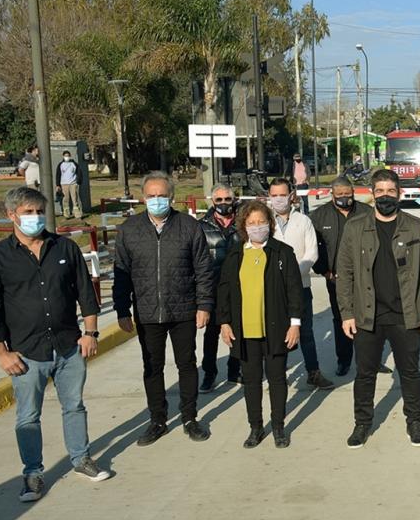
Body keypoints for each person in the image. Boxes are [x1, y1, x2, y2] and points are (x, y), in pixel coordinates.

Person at [0, 187, 111, 502]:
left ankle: (81, 459)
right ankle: (32, 474)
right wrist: (1, 353)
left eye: (39, 212)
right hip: (25, 352)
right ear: (12, 215)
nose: (35, 218)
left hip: (67, 346)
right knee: (28, 415)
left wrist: (90, 333)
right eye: (27, 212)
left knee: (74, 406)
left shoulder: (63, 247)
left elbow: (84, 291)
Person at [114, 171, 215, 446]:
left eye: (162, 195)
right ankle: (157, 420)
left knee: (187, 364)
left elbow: (203, 269)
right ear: (142, 198)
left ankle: (190, 417)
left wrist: (204, 305)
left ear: (171, 197)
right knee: (152, 367)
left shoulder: (188, 226)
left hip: (183, 309)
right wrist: (122, 309)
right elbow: (121, 272)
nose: (156, 200)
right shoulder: (130, 230)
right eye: (151, 196)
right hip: (147, 312)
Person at [337, 169, 420, 449]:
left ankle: (415, 422)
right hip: (367, 315)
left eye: (390, 191)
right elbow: (344, 273)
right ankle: (362, 424)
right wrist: (346, 312)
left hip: (406, 313)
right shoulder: (355, 228)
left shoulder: (416, 227)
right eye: (379, 191)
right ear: (372, 193)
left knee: (410, 372)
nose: (385, 197)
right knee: (365, 373)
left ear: (399, 194)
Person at [218, 200, 303, 449]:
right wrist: (224, 322)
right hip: (245, 331)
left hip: (276, 329)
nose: (257, 227)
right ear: (244, 225)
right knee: (251, 380)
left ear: (270, 223)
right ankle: (256, 427)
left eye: (262, 222)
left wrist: (294, 324)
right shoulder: (235, 255)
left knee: (277, 379)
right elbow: (224, 291)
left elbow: (294, 291)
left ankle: (278, 426)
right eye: (252, 223)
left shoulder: (282, 253)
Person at [311, 176, 385, 377]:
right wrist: (324, 271)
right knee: (341, 318)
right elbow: (312, 248)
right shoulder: (319, 216)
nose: (345, 198)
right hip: (335, 278)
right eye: (340, 195)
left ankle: (373, 360)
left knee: (371, 317)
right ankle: (343, 360)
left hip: (367, 277)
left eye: (348, 194)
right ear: (332, 194)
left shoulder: (367, 212)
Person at [268, 178, 333, 389]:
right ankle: (278, 375)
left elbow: (312, 252)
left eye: (282, 194)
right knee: (277, 332)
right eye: (274, 195)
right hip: (273, 290)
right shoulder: (264, 222)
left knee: (306, 332)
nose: (278, 199)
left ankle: (313, 372)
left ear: (291, 195)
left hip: (301, 287)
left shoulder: (303, 221)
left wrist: (294, 275)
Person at [198, 183, 241, 392]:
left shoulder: (243, 222)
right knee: (211, 334)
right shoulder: (201, 226)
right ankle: (209, 373)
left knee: (237, 330)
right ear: (211, 201)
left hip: (239, 287)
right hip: (212, 287)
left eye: (227, 200)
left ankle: (235, 369)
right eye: (219, 200)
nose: (224, 204)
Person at [55, 150, 83, 219]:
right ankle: (66, 214)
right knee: (65, 199)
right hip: (64, 184)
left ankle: (77, 214)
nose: (66, 157)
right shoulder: (60, 165)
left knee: (75, 198)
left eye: (68, 156)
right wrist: (58, 185)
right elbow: (58, 175)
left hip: (73, 183)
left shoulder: (74, 164)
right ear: (63, 156)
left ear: (70, 156)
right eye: (65, 156)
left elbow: (79, 173)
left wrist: (78, 182)